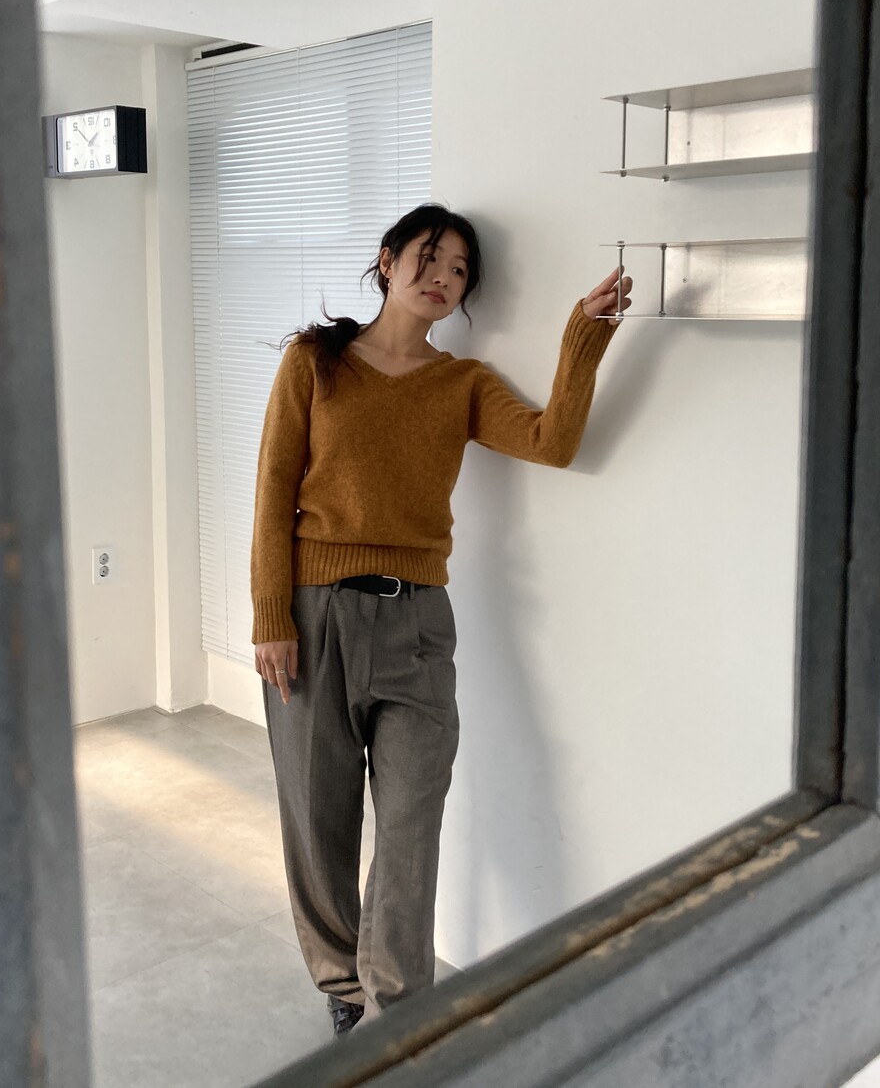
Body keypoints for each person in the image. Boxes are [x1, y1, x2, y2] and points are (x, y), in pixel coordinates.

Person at [250, 202, 632, 1038]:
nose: (442, 276)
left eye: (459, 269)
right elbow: (273, 491)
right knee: (318, 820)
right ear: (387, 260)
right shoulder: (314, 362)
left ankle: (397, 1011)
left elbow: (553, 440)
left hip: (419, 624)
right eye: (429, 256)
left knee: (411, 823)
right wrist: (271, 613)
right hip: (315, 615)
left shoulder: (462, 384)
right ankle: (342, 984)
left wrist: (584, 336)